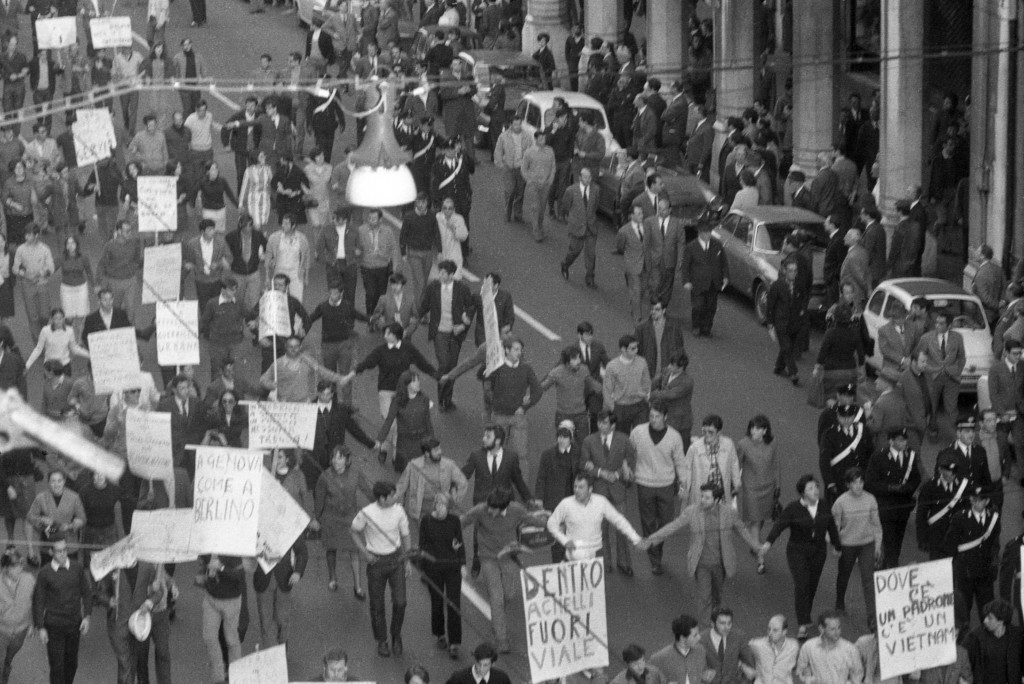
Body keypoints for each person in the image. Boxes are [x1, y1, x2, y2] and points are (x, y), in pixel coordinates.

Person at [460, 490, 543, 653]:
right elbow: (462, 522)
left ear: (503, 508)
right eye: (488, 507)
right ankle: (501, 639)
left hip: (508, 557)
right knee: (496, 598)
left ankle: (497, 617)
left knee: (509, 594)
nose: (489, 510)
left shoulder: (516, 510)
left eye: (493, 509)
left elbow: (532, 520)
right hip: (488, 557)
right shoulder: (481, 509)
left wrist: (553, 523)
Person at [760, 475, 842, 639]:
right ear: (802, 493)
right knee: (802, 585)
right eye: (810, 488)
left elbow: (831, 526)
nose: (816, 491)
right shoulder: (793, 508)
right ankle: (803, 623)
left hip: (818, 552)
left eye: (816, 487)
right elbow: (779, 525)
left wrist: (837, 546)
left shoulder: (824, 505)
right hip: (797, 552)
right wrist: (768, 543)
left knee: (811, 586)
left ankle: (806, 615)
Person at [351, 481, 412, 657]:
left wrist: (407, 560)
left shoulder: (399, 511)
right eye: (392, 495)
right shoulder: (366, 513)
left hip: (396, 559)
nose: (396, 497)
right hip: (375, 562)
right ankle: (382, 640)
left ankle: (396, 635)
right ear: (382, 498)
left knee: (400, 602)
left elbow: (405, 534)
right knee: (377, 605)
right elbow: (354, 531)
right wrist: (365, 553)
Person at [631, 402, 686, 575]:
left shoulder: (674, 437)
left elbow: (680, 462)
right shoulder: (638, 432)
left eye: (657, 417)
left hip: (666, 485)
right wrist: (627, 467)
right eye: (651, 416)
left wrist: (684, 482)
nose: (653, 420)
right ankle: (655, 559)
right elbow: (628, 451)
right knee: (648, 522)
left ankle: (656, 548)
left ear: (665, 417)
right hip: (644, 483)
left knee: (666, 522)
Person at [581, 411, 636, 573]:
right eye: (599, 422)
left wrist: (618, 474)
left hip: (618, 491)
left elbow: (631, 461)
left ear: (613, 425)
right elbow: (583, 463)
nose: (600, 426)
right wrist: (601, 473)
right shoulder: (589, 441)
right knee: (601, 529)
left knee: (622, 529)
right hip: (599, 492)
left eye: (604, 423)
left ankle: (624, 563)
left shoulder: (624, 440)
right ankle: (604, 563)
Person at [31, 534, 90, 684]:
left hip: (73, 625)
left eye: (65, 550)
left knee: (71, 665)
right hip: (54, 626)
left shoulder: (77, 568)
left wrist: (87, 616)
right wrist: (40, 627)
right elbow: (38, 600)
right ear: (51, 552)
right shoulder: (44, 573)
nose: (63, 554)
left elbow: (87, 593)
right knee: (57, 668)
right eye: (58, 551)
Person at [548, 472, 642, 561]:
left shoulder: (601, 502)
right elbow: (551, 524)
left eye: (581, 487)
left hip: (596, 552)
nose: (576, 490)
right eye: (575, 486)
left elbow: (619, 521)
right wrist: (565, 541)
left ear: (590, 489)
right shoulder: (566, 504)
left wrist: (636, 539)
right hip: (574, 553)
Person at [944, 485, 1001, 629]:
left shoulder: (993, 519)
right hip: (965, 573)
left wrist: (994, 565)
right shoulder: (960, 518)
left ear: (987, 501)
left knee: (988, 610)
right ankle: (963, 642)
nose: (976, 503)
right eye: (974, 499)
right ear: (970, 499)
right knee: (963, 612)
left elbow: (995, 544)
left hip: (984, 573)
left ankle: (987, 643)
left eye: (980, 500)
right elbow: (950, 544)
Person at [864, 428, 922, 569]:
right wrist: (890, 488)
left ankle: (887, 565)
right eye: (900, 440)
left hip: (903, 506)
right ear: (891, 441)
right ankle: (891, 568)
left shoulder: (910, 456)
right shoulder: (879, 457)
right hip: (886, 506)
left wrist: (908, 488)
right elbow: (871, 483)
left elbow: (916, 477)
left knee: (898, 539)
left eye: (904, 440)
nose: (904, 443)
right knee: (889, 539)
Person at [420, 261, 473, 411]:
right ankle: (442, 400)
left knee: (452, 367)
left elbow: (470, 306)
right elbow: (424, 306)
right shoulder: (433, 287)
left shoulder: (462, 289)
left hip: (455, 333)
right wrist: (415, 317)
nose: (440, 275)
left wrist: (463, 324)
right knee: (444, 365)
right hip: (439, 332)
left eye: (443, 273)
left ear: (451, 275)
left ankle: (447, 400)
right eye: (440, 272)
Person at [831, 467, 882, 620]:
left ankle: (872, 616)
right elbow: (833, 527)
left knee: (868, 579)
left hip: (867, 543)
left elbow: (876, 525)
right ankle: (839, 602)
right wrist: (836, 546)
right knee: (844, 575)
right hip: (847, 545)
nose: (858, 486)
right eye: (854, 483)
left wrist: (877, 546)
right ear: (848, 485)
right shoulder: (840, 502)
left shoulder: (870, 499)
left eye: (861, 482)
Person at [419, 493, 464, 659]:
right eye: (440, 505)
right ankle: (440, 634)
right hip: (433, 568)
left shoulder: (454, 521)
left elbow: (459, 543)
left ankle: (454, 643)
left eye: (446, 506)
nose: (443, 509)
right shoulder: (426, 521)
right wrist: (423, 569)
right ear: (435, 504)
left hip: (452, 568)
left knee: (454, 604)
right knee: (437, 603)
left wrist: (462, 563)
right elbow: (422, 545)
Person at [253, 524, 307, 650]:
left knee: (282, 619)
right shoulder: (256, 524)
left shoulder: (288, 525)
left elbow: (302, 551)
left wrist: (298, 572)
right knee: (265, 620)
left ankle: (282, 643)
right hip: (263, 580)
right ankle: (272, 655)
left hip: (284, 579)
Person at [737, 415, 781, 568]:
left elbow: (775, 464)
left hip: (768, 487)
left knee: (761, 519)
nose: (753, 431)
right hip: (751, 488)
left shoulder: (773, 442)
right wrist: (735, 484)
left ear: (765, 431)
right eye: (752, 428)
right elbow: (737, 465)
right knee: (755, 520)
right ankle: (759, 556)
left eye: (757, 429)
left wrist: (778, 486)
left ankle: (752, 542)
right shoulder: (743, 444)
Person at [534, 426, 579, 561]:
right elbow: (541, 477)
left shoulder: (578, 453)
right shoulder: (547, 455)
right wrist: (539, 498)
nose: (561, 440)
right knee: (557, 537)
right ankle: (557, 565)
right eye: (559, 437)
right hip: (554, 501)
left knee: (573, 533)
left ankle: (570, 562)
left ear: (571, 439)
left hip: (573, 501)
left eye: (565, 437)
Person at [918, 310, 966, 435]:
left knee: (951, 406)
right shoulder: (926, 338)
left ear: (949, 325)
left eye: (941, 323)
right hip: (932, 377)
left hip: (951, 377)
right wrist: (929, 369)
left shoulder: (957, 337)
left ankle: (955, 433)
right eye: (936, 323)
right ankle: (932, 428)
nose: (937, 326)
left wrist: (957, 370)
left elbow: (961, 357)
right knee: (932, 405)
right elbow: (920, 357)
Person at [27, 471, 86, 566]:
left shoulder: (74, 497)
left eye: (59, 481)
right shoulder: (41, 497)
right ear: (48, 482)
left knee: (70, 575)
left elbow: (82, 518)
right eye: (53, 481)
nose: (56, 484)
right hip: (48, 544)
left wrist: (73, 524)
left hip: (69, 543)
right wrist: (41, 519)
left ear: (64, 481)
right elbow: (30, 517)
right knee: (49, 575)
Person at [680, 221, 729, 337]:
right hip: (697, 283)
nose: (708, 235)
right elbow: (685, 266)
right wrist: (686, 281)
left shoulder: (717, 245)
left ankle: (707, 328)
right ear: (700, 233)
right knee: (698, 306)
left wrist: (726, 276)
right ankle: (696, 326)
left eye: (709, 232)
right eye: (706, 233)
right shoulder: (691, 247)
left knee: (711, 307)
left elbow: (724, 262)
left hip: (713, 282)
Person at [682, 414, 741, 508]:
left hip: (721, 493)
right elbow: (687, 469)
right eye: (704, 431)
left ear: (719, 432)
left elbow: (734, 464)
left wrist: (737, 483)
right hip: (702, 494)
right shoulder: (695, 448)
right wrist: (684, 489)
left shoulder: (728, 444)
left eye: (710, 432)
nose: (706, 435)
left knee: (720, 519)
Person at [819, 403, 873, 501]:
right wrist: (830, 483)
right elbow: (824, 461)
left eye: (850, 416)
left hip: (859, 480)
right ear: (838, 417)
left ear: (854, 417)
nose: (847, 420)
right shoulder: (829, 434)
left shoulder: (863, 431)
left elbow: (870, 455)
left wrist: (868, 477)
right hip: (839, 480)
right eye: (843, 417)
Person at [13, 223, 55, 343]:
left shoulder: (45, 249)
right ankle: (38, 344)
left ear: (36, 235)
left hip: (42, 284)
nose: (26, 238)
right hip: (27, 286)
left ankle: (44, 335)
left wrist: (39, 274)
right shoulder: (20, 249)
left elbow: (51, 268)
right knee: (33, 317)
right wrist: (25, 274)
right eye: (26, 235)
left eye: (29, 235)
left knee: (45, 315)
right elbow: (15, 268)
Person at [963, 599, 1022, 684]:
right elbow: (960, 658)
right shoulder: (975, 637)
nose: (985, 621)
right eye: (985, 616)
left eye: (990, 618)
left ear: (1001, 621)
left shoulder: (1016, 637)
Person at [795, 611, 863, 684]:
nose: (837, 632)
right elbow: (800, 672)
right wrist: (809, 680)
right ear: (821, 629)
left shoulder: (850, 649)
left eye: (839, 627)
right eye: (832, 629)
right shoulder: (808, 647)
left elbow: (857, 675)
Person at [560, 166, 600, 287]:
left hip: (591, 227)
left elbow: (595, 206)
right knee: (575, 251)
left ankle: (590, 277)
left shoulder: (596, 190)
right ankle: (565, 264)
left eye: (590, 177)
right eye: (585, 177)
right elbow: (565, 206)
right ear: (580, 177)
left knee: (591, 254)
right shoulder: (571, 191)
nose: (588, 179)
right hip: (576, 227)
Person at [649, 614, 711, 684]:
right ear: (682, 638)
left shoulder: (700, 650)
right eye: (695, 635)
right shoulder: (659, 658)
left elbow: (703, 672)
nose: (699, 637)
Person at [616, 205, 652, 325]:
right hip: (632, 265)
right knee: (636, 291)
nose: (641, 215)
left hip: (646, 264)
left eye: (642, 213)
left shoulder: (647, 227)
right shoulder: (624, 231)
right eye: (638, 213)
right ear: (632, 216)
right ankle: (637, 316)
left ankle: (634, 305)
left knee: (643, 290)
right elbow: (620, 247)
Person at [24, 308, 89, 374]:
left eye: (60, 318)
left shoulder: (69, 331)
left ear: (64, 318)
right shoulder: (45, 331)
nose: (58, 321)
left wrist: (90, 354)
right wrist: (27, 365)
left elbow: (75, 348)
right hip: (50, 366)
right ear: (52, 319)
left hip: (65, 365)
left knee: (67, 383)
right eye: (55, 318)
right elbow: (38, 349)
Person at [266, 214, 312, 303]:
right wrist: (267, 277)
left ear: (293, 225)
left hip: (296, 272)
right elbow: (268, 255)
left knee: (297, 300)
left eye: (286, 224)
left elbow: (306, 257)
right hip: (279, 271)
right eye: (283, 223)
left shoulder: (302, 238)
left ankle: (297, 317)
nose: (283, 226)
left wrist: (306, 277)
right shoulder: (274, 238)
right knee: (278, 299)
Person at [742, 614, 800, 684]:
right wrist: (744, 667)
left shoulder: (793, 646)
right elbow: (735, 650)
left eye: (775, 630)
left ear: (784, 632)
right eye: (769, 629)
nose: (770, 633)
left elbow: (798, 665)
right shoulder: (758, 645)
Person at [521, 130, 555, 242]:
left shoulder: (550, 151)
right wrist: (529, 180)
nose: (543, 141)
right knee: (535, 207)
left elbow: (553, 167)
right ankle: (536, 231)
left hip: (545, 185)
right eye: (540, 139)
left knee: (542, 208)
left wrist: (550, 180)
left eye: (544, 138)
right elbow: (524, 169)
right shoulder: (529, 152)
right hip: (533, 185)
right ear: (535, 139)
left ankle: (539, 226)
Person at [446, 643, 512, 684]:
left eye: (485, 665)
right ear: (475, 660)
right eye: (479, 664)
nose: (481, 669)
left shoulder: (501, 679)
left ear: (493, 664)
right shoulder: (459, 679)